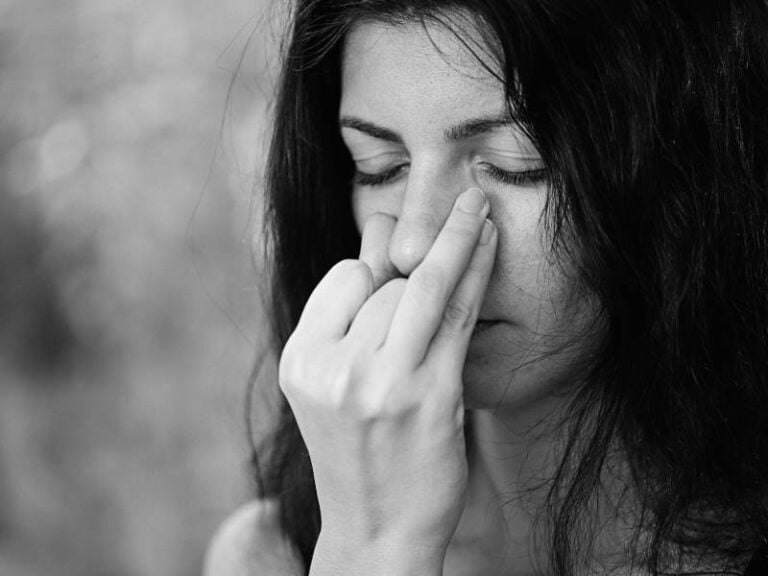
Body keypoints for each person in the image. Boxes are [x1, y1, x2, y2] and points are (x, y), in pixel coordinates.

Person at [205, 1, 768, 574]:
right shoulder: (272, 556)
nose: (413, 246)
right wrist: (373, 546)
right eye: (378, 166)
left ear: (682, 179)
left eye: (515, 163)